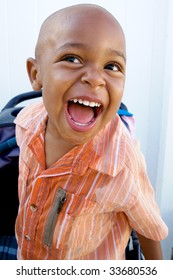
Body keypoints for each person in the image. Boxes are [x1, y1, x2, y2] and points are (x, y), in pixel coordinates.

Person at [14, 3, 168, 260]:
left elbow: (149, 228)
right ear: (36, 73)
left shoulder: (122, 163)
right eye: (72, 59)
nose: (95, 78)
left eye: (112, 66)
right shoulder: (26, 123)